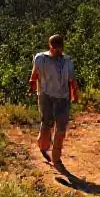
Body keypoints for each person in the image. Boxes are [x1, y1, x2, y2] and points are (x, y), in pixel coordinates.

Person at [29, 34, 78, 167]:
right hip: (46, 95)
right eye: (55, 48)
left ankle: (56, 157)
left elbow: (72, 80)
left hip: (62, 97)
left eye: (59, 48)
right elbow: (34, 75)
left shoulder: (67, 61)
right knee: (47, 123)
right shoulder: (40, 58)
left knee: (60, 127)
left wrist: (75, 94)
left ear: (62, 47)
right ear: (50, 46)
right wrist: (32, 86)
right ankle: (44, 147)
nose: (57, 50)